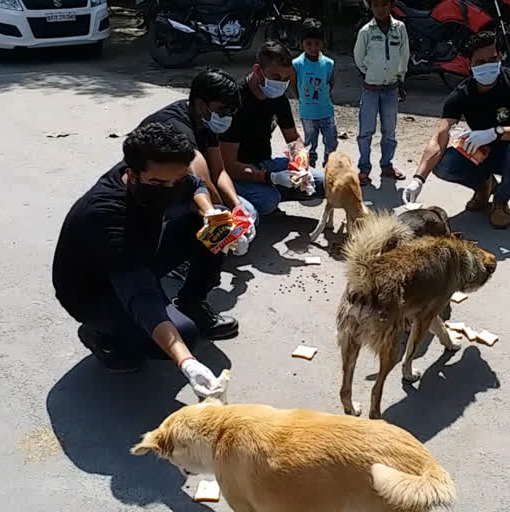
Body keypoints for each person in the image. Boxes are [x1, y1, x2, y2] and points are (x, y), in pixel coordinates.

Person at [52, 123, 238, 392]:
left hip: (141, 254)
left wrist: (210, 213)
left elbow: (194, 184)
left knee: (215, 222)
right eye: (160, 184)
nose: (171, 188)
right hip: (94, 290)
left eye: (176, 180)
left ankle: (192, 301)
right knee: (182, 336)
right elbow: (139, 293)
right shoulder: (105, 214)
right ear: (132, 173)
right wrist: (186, 362)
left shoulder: (162, 174)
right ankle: (102, 335)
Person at [403, 31, 510, 229]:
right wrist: (418, 179)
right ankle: (484, 186)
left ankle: (501, 200)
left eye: (492, 59)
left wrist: (496, 132)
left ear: (501, 57)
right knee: (444, 163)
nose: (487, 65)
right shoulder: (462, 94)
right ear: (469, 65)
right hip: (483, 153)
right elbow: (439, 137)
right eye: (480, 62)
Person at [137, 68, 257, 255]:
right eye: (223, 110)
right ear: (202, 104)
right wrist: (223, 215)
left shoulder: (206, 121)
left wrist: (237, 207)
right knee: (211, 223)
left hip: (184, 187)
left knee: (249, 213)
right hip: (155, 196)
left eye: (231, 111)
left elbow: (219, 171)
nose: (228, 116)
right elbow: (202, 182)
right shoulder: (177, 127)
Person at [219, 41, 325, 216]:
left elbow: (293, 138)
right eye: (276, 77)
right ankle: (240, 196)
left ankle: (274, 189)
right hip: (238, 171)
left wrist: (301, 163)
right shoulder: (235, 102)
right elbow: (229, 166)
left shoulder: (277, 98)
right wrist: (270, 177)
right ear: (257, 71)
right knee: (268, 201)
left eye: (286, 79)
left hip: (265, 162)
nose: (281, 84)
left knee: (323, 183)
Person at [353, 0, 410, 185]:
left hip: (391, 89)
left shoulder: (400, 28)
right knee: (365, 132)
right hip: (371, 89)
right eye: (376, 5)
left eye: (384, 4)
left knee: (389, 131)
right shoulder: (365, 32)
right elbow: (359, 58)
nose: (381, 9)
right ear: (371, 7)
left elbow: (404, 54)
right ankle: (364, 168)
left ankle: (387, 166)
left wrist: (400, 77)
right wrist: (370, 74)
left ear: (391, 5)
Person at [292, 18, 338, 169]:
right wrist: (302, 100)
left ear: (323, 43)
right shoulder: (297, 64)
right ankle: (309, 171)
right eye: (308, 43)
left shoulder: (328, 64)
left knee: (331, 141)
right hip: (308, 114)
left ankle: (329, 167)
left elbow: (330, 83)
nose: (313, 47)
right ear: (302, 43)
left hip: (326, 111)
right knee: (310, 145)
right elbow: (293, 85)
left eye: (317, 43)